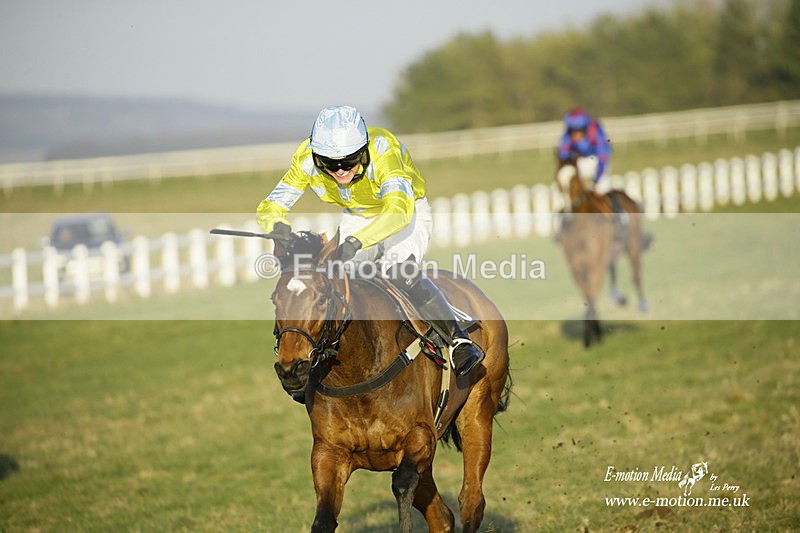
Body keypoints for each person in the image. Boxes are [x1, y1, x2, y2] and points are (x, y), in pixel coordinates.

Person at [257, 105, 483, 376]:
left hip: (406, 213)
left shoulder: (383, 148)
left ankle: (459, 340)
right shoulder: (305, 158)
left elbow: (397, 213)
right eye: (330, 163)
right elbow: (271, 206)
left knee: (398, 271)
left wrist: (354, 243)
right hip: (357, 217)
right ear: (316, 155)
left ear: (363, 151)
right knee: (329, 278)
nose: (340, 171)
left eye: (349, 160)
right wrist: (277, 226)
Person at [556, 108, 612, 191]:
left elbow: (603, 158)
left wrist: (596, 180)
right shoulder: (567, 135)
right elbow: (562, 154)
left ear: (585, 129)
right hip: (579, 165)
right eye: (572, 131)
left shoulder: (595, 131)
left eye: (579, 131)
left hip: (598, 165)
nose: (575, 135)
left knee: (602, 189)